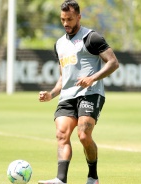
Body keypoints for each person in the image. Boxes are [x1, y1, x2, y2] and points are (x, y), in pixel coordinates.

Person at [38, 0, 119, 184]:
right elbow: (63, 77)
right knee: (61, 134)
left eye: (70, 19)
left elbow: (113, 62)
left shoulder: (92, 38)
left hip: (90, 93)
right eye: (63, 19)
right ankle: (61, 179)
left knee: (83, 135)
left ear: (79, 17)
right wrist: (51, 94)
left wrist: (93, 78)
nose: (66, 23)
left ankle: (93, 177)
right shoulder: (59, 44)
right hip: (67, 96)